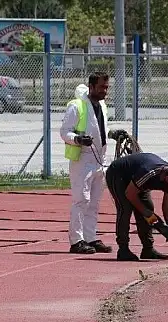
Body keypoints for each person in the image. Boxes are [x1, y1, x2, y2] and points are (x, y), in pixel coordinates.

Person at [59, 72, 113, 255]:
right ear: (91, 87)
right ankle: (76, 240)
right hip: (83, 158)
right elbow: (64, 132)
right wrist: (78, 139)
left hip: (100, 159)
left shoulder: (103, 106)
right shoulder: (76, 106)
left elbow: (100, 128)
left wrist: (113, 134)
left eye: (106, 87)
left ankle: (90, 237)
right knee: (81, 199)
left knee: (95, 202)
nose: (105, 91)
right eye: (101, 88)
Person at [105, 152, 168, 261]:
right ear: (167, 179)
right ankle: (123, 249)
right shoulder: (149, 172)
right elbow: (130, 194)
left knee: (148, 207)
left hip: (137, 182)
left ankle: (148, 249)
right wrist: (146, 213)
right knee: (125, 209)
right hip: (119, 175)